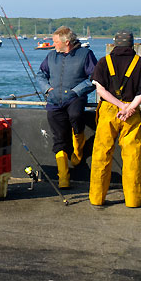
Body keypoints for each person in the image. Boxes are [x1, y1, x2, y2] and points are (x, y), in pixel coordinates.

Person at [89, 30, 141, 208]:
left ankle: (97, 198)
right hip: (131, 112)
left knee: (102, 155)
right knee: (133, 156)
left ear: (115, 43)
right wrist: (129, 107)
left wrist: (120, 105)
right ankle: (133, 200)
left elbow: (100, 90)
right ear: (132, 44)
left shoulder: (103, 62)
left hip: (109, 111)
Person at [36, 26, 98, 188]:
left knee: (76, 117)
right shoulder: (51, 56)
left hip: (75, 98)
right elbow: (41, 74)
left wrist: (77, 91)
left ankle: (79, 147)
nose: (53, 44)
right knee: (59, 137)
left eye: (55, 41)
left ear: (67, 42)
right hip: (54, 100)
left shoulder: (86, 55)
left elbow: (94, 77)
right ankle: (63, 176)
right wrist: (47, 90)